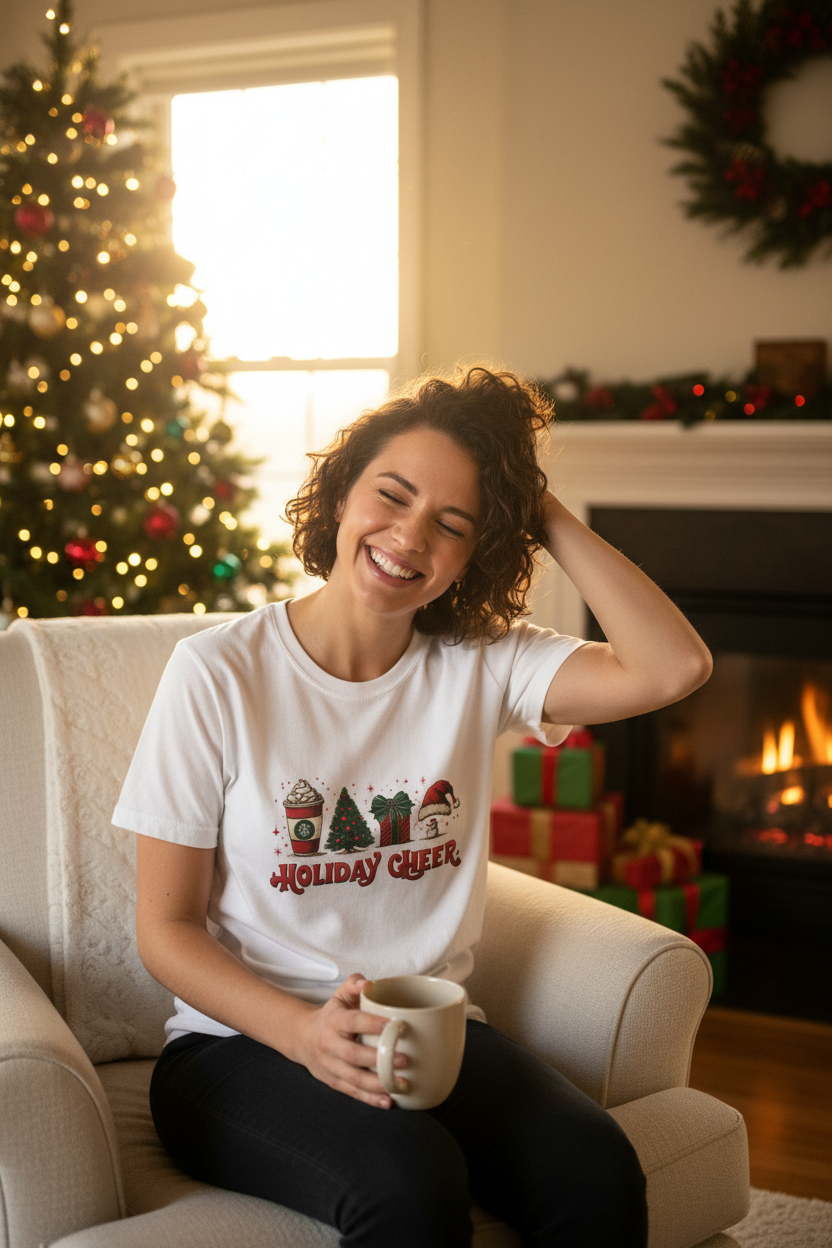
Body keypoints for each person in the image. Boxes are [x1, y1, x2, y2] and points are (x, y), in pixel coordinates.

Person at [115, 366, 712, 1248]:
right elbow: (165, 930)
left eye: (453, 524)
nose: (408, 536)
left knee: (596, 1167)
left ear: (480, 552)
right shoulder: (218, 674)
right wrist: (302, 1033)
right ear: (341, 493)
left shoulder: (480, 662)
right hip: (236, 1052)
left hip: (429, 1035)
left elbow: (673, 667)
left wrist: (535, 507)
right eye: (391, 495)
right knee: (413, 1187)